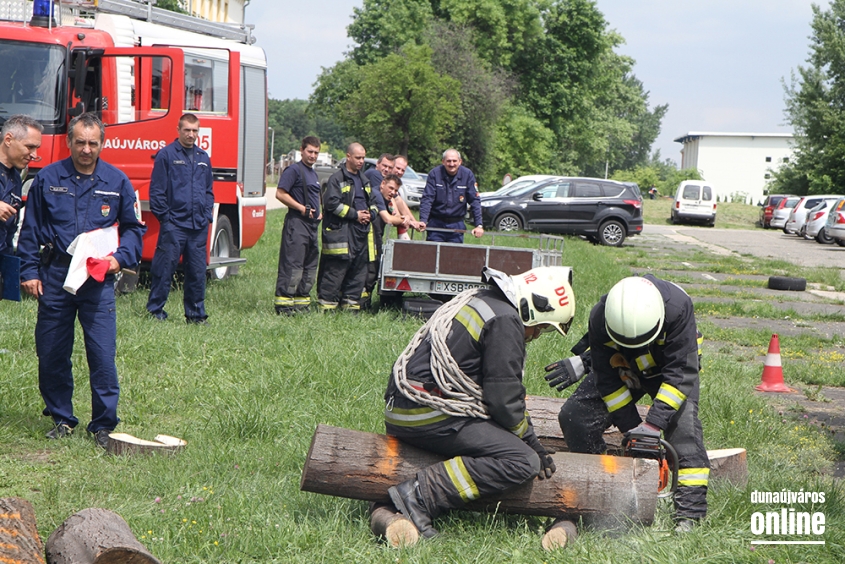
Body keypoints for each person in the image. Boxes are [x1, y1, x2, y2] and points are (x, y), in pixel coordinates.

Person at [383, 266, 576, 538]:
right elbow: (503, 401)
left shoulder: (483, 300)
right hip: (428, 412)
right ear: (532, 308)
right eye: (541, 328)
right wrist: (531, 442)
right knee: (522, 461)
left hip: (406, 405)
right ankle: (418, 496)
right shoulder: (506, 320)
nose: (534, 336)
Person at [18, 113, 146, 448]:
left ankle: (103, 425)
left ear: (102, 143)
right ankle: (62, 418)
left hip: (97, 279)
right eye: (80, 142)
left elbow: (134, 229)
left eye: (93, 143)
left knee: (102, 354)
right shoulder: (48, 178)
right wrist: (29, 272)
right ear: (69, 142)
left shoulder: (117, 182)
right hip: (56, 275)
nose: (86, 149)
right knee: (51, 351)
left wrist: (119, 259)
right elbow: (30, 230)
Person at [552, 275, 709, 532]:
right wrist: (632, 429)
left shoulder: (678, 308)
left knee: (684, 434)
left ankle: (688, 516)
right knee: (576, 415)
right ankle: (601, 486)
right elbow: (608, 382)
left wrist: (654, 425)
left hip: (672, 368)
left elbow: (680, 375)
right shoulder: (601, 316)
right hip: (624, 364)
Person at [145, 113, 214, 324]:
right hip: (174, 225)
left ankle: (196, 316)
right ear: (178, 130)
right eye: (187, 130)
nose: (191, 135)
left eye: (195, 131)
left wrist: (207, 215)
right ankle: (155, 312)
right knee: (164, 270)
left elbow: (209, 190)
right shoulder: (166, 155)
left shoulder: (203, 158)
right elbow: (156, 192)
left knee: (197, 273)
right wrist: (166, 219)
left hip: (197, 226)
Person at [317, 143, 386, 312]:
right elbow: (331, 204)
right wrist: (356, 215)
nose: (361, 161)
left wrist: (371, 214)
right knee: (336, 271)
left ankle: (350, 309)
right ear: (348, 156)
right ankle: (327, 308)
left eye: (363, 158)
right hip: (342, 232)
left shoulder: (364, 179)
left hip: (361, 234)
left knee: (358, 271)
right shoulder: (337, 179)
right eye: (358, 158)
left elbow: (375, 203)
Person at [273, 136, 322, 315]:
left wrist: (319, 211)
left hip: (312, 225)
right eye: (310, 151)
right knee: (293, 264)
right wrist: (302, 208)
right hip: (297, 223)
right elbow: (280, 193)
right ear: (301, 150)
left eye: (316, 152)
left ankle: (301, 304)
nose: (313, 155)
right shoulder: (293, 170)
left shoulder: (313, 173)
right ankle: (284, 305)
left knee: (309, 266)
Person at [361, 174, 417, 308]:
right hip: (367, 238)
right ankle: (361, 303)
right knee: (368, 271)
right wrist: (405, 220)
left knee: (373, 271)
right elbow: (389, 219)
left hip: (376, 237)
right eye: (390, 188)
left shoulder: (389, 199)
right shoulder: (377, 195)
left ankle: (365, 302)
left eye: (396, 190)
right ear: (382, 184)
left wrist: (412, 222)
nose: (393, 192)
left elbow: (395, 213)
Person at [418, 149, 483, 243]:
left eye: (454, 161)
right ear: (443, 162)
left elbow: (474, 200)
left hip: (456, 225)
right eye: (448, 161)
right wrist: (423, 220)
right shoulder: (434, 174)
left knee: (454, 256)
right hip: (436, 224)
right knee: (434, 255)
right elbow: (427, 198)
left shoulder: (467, 175)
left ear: (460, 162)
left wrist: (479, 225)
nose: (451, 164)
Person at [0, 115, 42, 256]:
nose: (34, 155)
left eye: (36, 148)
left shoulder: (16, 178)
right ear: (8, 140)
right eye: (29, 147)